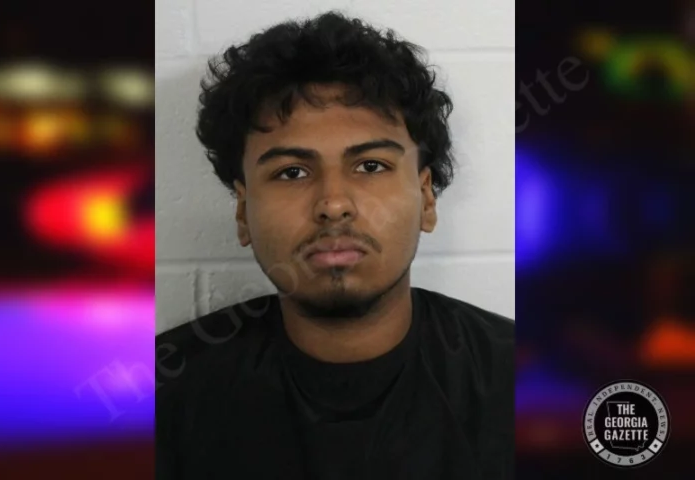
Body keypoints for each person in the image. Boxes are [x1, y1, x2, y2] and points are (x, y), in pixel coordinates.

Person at [156, 11, 514, 480]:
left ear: (426, 198)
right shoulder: (159, 397)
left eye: (370, 166)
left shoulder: (525, 383)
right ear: (243, 212)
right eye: (291, 172)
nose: (333, 204)